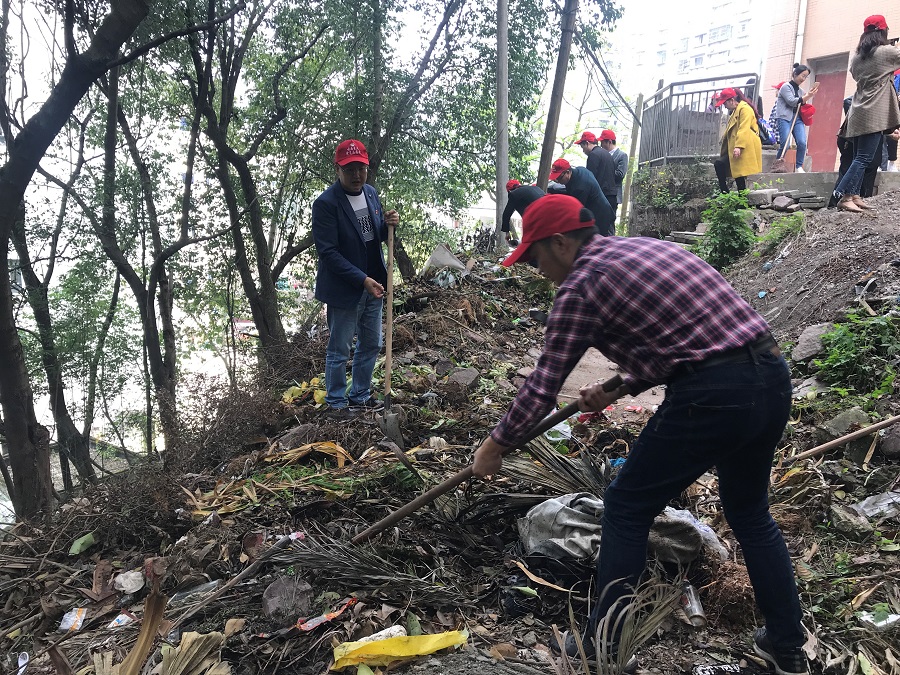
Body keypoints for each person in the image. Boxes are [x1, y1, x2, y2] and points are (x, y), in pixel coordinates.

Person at [473, 193, 807, 675]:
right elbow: (689, 339)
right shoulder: (648, 250)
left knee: (627, 507)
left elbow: (543, 386)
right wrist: (615, 387)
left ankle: (604, 646)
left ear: (562, 244)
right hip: (769, 378)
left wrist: (494, 446)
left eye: (535, 256)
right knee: (750, 513)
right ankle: (787, 647)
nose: (535, 269)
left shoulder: (580, 286)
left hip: (712, 395)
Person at [312, 139, 399, 420]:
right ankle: (336, 403)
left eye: (361, 168)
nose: (357, 175)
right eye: (350, 169)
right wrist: (361, 279)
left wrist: (390, 223)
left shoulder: (371, 194)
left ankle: (360, 395)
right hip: (345, 288)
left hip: (374, 285)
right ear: (338, 169)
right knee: (340, 348)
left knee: (371, 343)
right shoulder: (326, 204)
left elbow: (373, 236)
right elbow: (328, 253)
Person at [833, 15, 900, 213]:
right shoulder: (886, 52)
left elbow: (856, 74)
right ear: (883, 31)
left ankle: (854, 195)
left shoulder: (857, 57)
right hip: (873, 112)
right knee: (864, 157)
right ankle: (844, 195)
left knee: (857, 156)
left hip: (857, 110)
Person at [546, 158, 615, 236]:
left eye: (559, 178)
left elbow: (575, 211)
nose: (558, 181)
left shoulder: (580, 187)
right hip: (597, 212)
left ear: (568, 173)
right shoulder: (580, 170)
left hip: (602, 218)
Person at [712, 87, 762, 192]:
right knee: (722, 165)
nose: (724, 107)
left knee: (739, 173)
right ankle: (726, 193)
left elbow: (743, 128)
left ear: (731, 100)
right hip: (738, 145)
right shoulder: (736, 110)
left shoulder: (745, 109)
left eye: (724, 103)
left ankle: (739, 197)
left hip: (745, 145)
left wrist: (739, 146)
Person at [775, 64, 819, 172]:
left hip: (797, 118)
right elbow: (791, 101)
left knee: (802, 142)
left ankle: (799, 166)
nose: (803, 79)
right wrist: (807, 96)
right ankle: (777, 164)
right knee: (786, 142)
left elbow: (802, 103)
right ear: (795, 74)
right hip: (785, 117)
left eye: (805, 77)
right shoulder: (785, 87)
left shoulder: (801, 91)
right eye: (802, 76)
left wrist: (806, 97)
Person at [576, 131, 618, 221]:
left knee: (599, 231)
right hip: (612, 196)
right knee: (609, 229)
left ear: (587, 143)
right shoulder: (607, 154)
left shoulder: (593, 155)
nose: (582, 150)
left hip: (601, 199)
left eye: (582, 146)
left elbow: (590, 180)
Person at [501, 179, 544, 246]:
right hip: (549, 213)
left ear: (509, 191)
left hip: (537, 218)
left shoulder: (514, 194)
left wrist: (507, 233)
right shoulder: (536, 188)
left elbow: (506, 214)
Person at [599, 130, 629, 217]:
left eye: (602, 142)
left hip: (613, 195)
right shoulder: (602, 155)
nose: (601, 145)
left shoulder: (622, 155)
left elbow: (620, 174)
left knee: (609, 221)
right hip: (602, 193)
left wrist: (605, 170)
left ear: (609, 142)